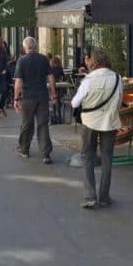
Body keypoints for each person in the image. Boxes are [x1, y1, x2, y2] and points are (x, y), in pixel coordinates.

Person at [70, 48, 122, 209]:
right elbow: (119, 100)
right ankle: (104, 197)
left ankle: (90, 196)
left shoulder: (88, 80)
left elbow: (74, 103)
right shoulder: (117, 78)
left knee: (88, 157)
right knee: (107, 159)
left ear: (94, 62)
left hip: (90, 122)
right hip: (110, 122)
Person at [13, 36, 57, 164]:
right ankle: (46, 153)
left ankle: (24, 149)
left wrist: (16, 98)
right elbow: (51, 77)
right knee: (43, 124)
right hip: (42, 96)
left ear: (24, 47)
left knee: (27, 123)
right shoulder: (43, 59)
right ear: (35, 46)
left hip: (27, 96)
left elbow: (18, 82)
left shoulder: (22, 60)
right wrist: (53, 94)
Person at [49, 56, 66, 124]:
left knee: (52, 101)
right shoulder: (60, 68)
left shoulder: (50, 68)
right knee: (58, 101)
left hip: (51, 86)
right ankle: (59, 118)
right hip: (59, 86)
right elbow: (63, 77)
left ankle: (53, 118)